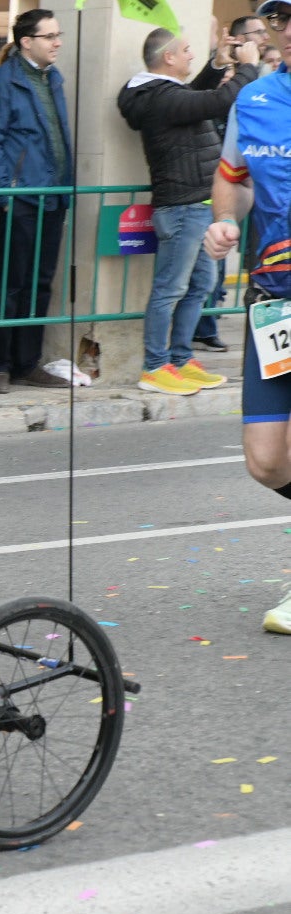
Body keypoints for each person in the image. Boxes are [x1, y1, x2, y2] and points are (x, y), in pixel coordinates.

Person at [204, 0, 291, 633]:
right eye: (282, 18)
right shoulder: (256, 100)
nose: (287, 28)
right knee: (265, 460)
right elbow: (231, 177)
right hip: (272, 300)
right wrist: (225, 219)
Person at [119, 26, 254, 396]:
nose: (192, 55)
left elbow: (194, 95)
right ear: (169, 58)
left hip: (197, 205)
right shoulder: (160, 97)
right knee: (170, 289)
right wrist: (247, 68)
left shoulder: (163, 94)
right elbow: (214, 101)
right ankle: (154, 367)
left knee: (200, 286)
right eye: (188, 51)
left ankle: (179, 360)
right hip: (182, 207)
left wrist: (216, 62)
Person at [0, 9, 75, 395]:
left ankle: (27, 363)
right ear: (26, 42)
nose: (58, 42)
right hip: (20, 199)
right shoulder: (4, 81)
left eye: (58, 34)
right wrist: (4, 195)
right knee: (12, 285)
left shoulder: (52, 80)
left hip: (52, 197)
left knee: (40, 284)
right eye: (50, 36)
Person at [194, 13, 269, 352]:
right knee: (208, 272)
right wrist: (230, 66)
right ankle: (203, 327)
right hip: (220, 187)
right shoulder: (244, 87)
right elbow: (203, 98)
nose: (265, 37)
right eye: (258, 32)